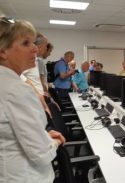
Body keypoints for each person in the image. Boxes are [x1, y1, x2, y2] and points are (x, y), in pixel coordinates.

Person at [0, 17, 65, 183]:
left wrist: (44, 135)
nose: (35, 49)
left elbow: (15, 131)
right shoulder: (15, 90)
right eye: (26, 43)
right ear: (2, 51)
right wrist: (55, 141)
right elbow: (41, 153)